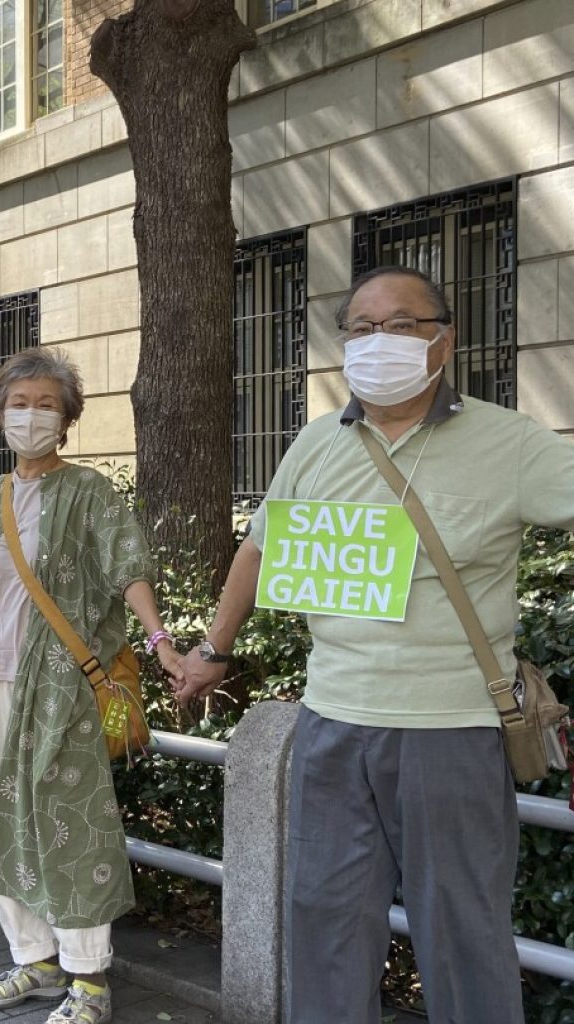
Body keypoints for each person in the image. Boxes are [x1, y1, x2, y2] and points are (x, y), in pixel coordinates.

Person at [176, 265, 574, 1024]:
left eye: (399, 325)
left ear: (444, 341)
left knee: (464, 936)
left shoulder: (510, 442)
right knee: (323, 922)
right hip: (333, 724)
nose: (376, 341)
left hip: (452, 731)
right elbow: (258, 552)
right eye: (360, 328)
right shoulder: (316, 442)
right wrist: (212, 652)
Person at [0, 348, 182, 1024]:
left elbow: (126, 565)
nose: (32, 415)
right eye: (19, 403)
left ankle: (90, 980)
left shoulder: (89, 492)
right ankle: (36, 960)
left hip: (59, 688)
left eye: (46, 403)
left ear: (68, 419)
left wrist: (160, 639)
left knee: (67, 826)